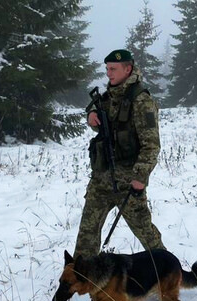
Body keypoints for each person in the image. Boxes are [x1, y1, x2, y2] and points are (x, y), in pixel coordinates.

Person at [73, 49, 165, 258]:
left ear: (128, 69)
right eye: (107, 69)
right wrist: (92, 114)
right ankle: (81, 275)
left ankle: (166, 272)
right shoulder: (108, 97)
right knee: (88, 230)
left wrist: (140, 178)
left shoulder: (142, 101)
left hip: (128, 180)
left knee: (145, 231)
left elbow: (151, 145)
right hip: (102, 177)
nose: (109, 73)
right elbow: (104, 127)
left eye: (113, 69)